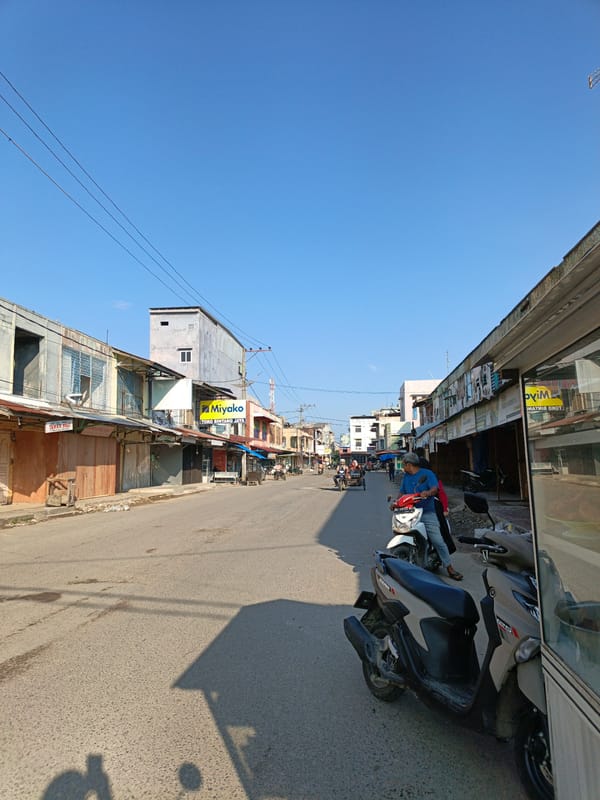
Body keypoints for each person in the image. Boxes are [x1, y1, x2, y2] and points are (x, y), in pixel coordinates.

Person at [398, 452, 463, 581]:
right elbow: (401, 492)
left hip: (427, 512)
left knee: (437, 540)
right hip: (410, 512)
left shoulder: (427, 474)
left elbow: (435, 489)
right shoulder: (406, 476)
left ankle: (449, 567)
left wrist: (428, 492)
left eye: (403, 465)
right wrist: (396, 502)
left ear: (409, 464)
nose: (402, 467)